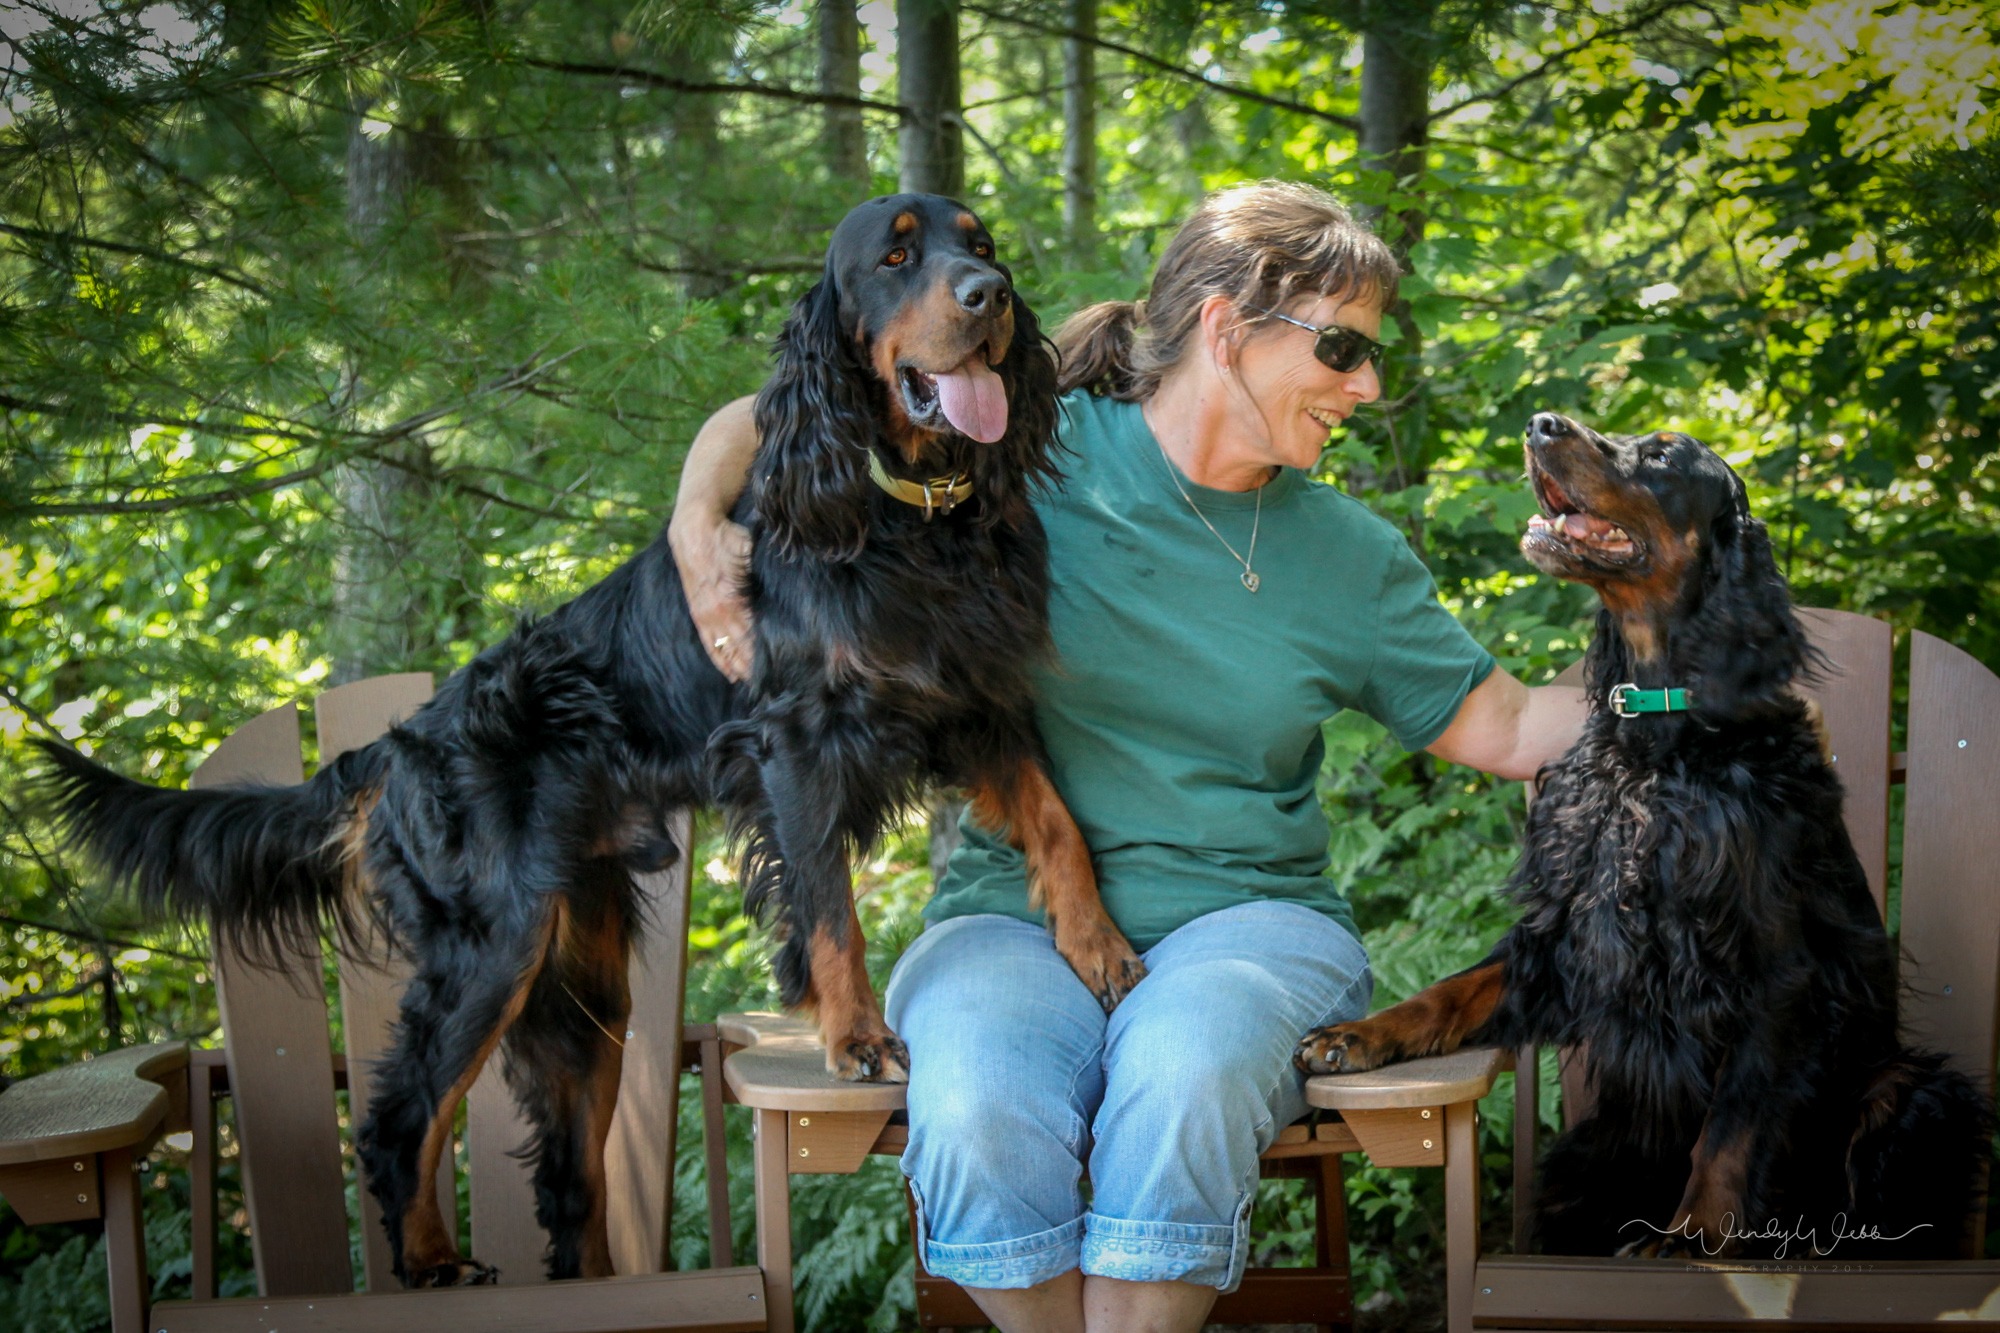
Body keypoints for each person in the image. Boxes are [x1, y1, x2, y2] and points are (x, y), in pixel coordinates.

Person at [670, 181, 1585, 1333]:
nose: (1367, 385)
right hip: (1006, 917)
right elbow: (795, 398)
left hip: (1248, 923)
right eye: (1342, 347)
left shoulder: (1352, 557)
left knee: (1187, 1072)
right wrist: (696, 516)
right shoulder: (1032, 451)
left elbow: (1506, 727)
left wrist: (1687, 685)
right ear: (1223, 330)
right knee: (980, 1097)